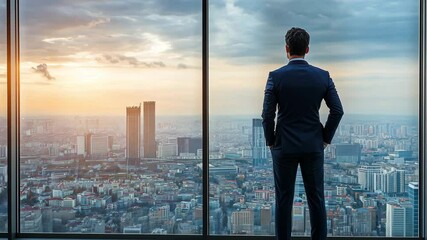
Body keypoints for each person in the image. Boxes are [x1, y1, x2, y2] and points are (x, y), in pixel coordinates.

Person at [262, 27, 344, 240]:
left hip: (284, 146)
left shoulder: (275, 77)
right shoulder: (323, 76)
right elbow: (337, 110)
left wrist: (271, 141)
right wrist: (325, 138)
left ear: (286, 49)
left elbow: (267, 115)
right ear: (307, 49)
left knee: (283, 199)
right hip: (312, 146)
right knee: (316, 199)